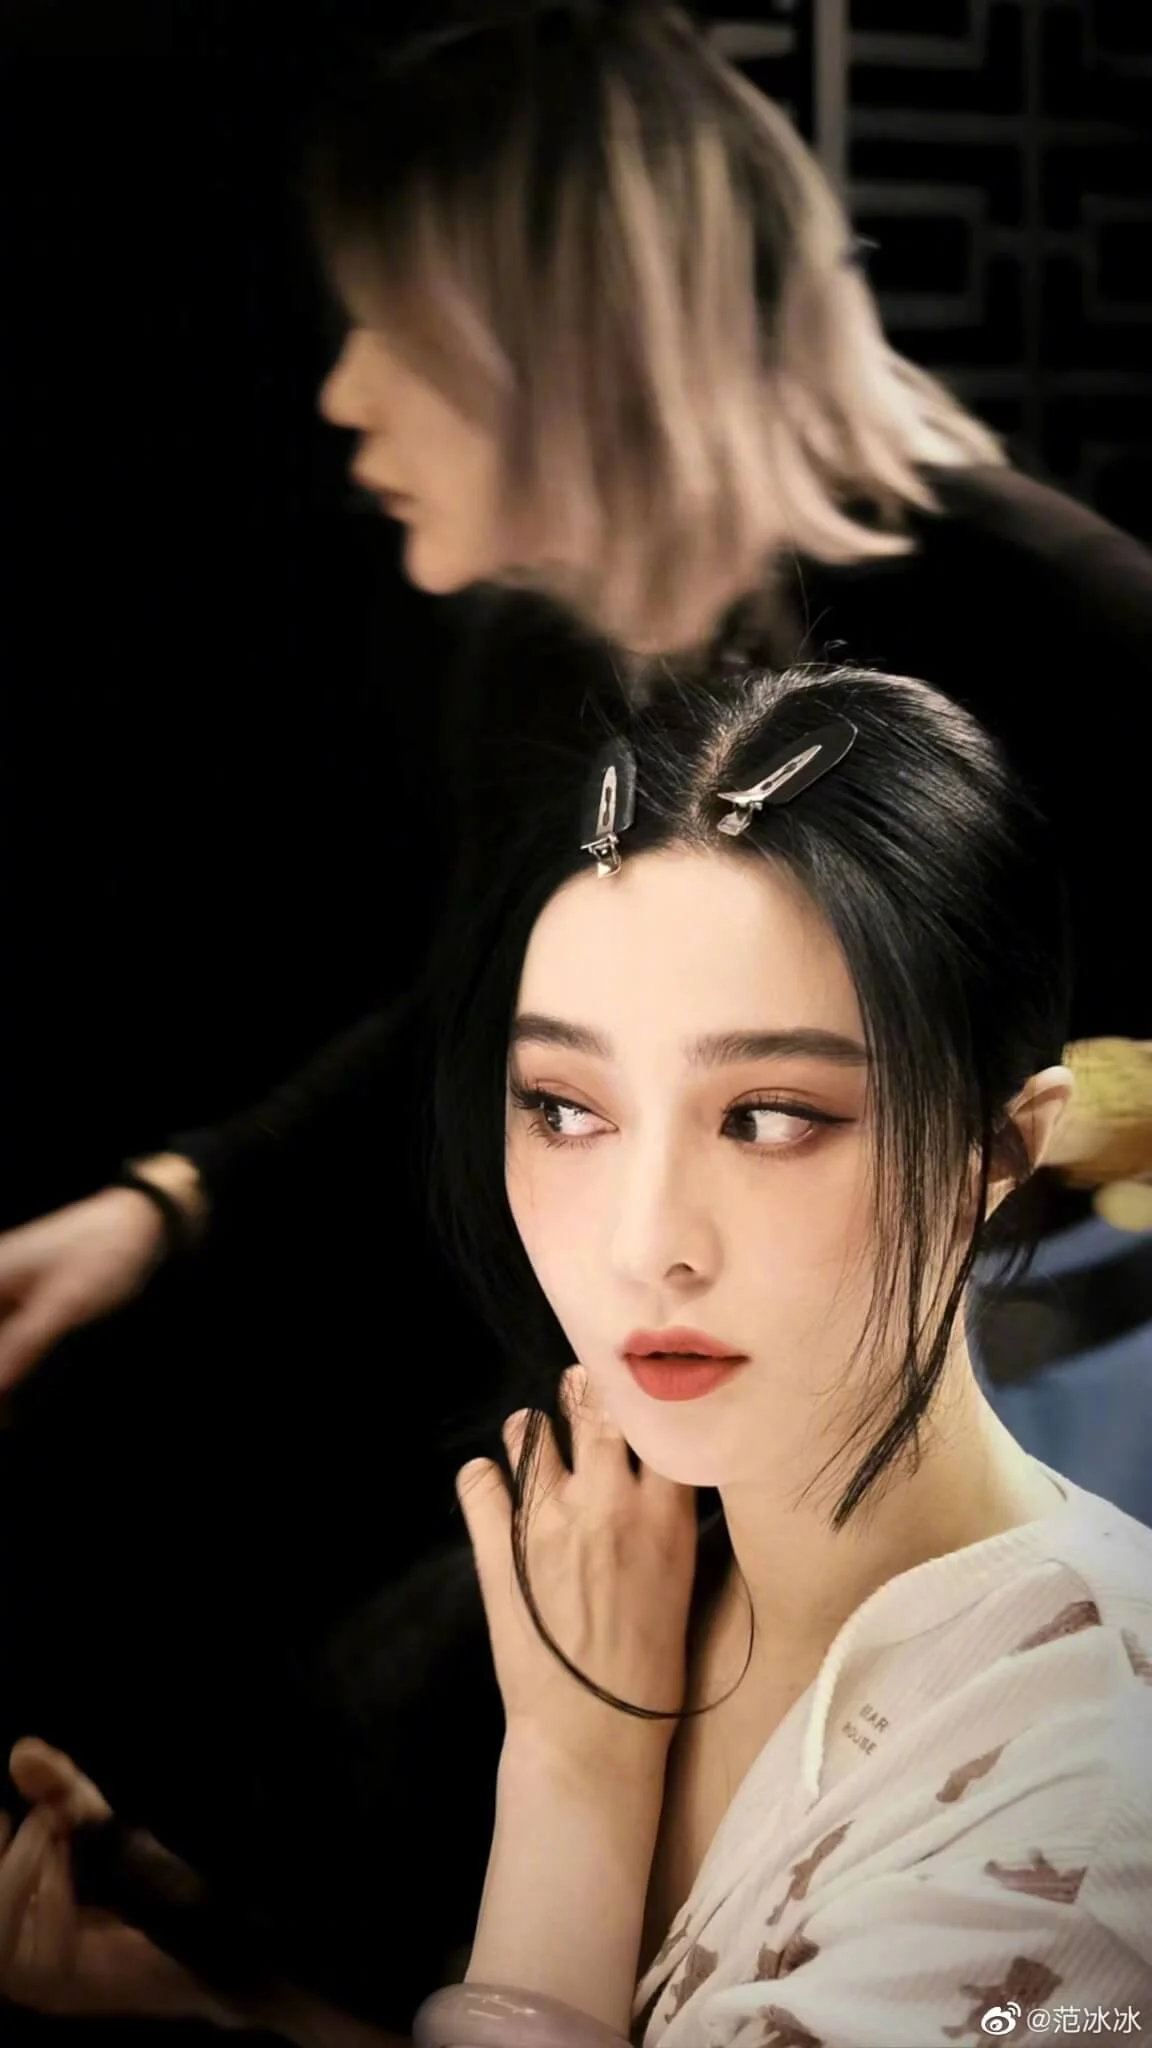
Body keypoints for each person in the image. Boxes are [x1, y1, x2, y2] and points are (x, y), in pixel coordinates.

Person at [0, 0, 1150, 1400]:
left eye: (394, 328)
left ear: (576, 330)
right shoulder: (540, 654)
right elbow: (478, 1027)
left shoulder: (1048, 617)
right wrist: (168, 1203)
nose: (345, 393)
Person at [3, 664, 1150, 2042]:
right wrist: (229, 2005)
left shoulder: (1089, 1803)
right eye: (564, 1108)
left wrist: (577, 1784)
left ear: (1000, 1151)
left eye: (770, 1116)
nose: (641, 1242)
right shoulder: (602, 1579)